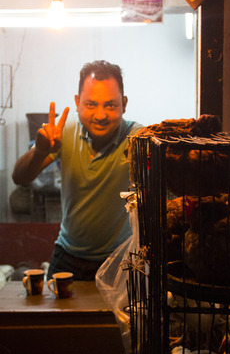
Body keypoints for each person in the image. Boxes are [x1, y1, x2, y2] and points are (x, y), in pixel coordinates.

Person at [12, 60, 142, 280]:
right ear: (77, 102)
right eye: (91, 104)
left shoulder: (137, 138)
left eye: (110, 105)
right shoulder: (65, 130)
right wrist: (40, 152)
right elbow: (19, 177)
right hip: (67, 256)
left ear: (124, 103)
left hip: (119, 260)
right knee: (57, 315)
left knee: (117, 316)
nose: (100, 115)